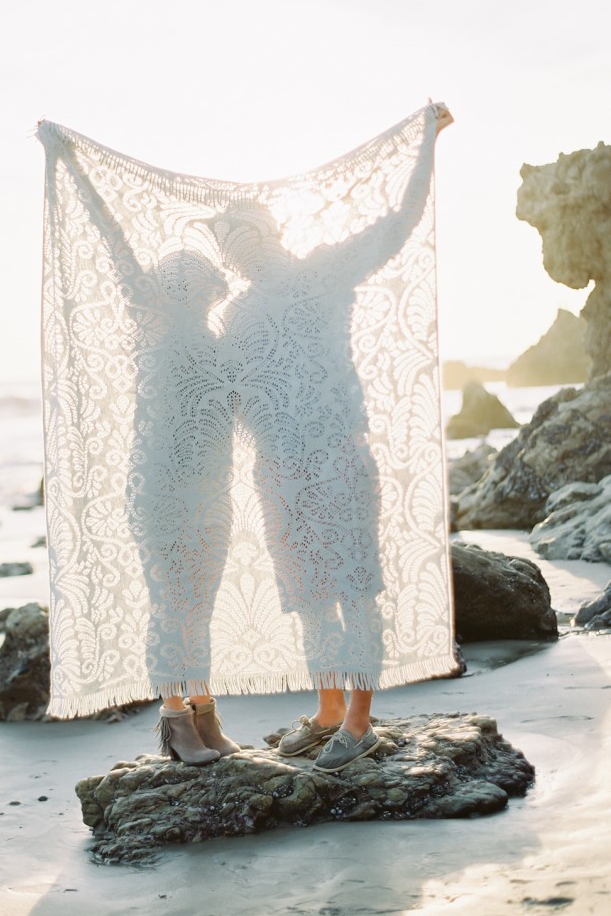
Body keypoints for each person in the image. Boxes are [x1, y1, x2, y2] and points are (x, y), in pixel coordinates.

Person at [155, 102, 454, 769]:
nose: (236, 256)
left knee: (354, 588)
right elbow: (220, 395)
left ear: (269, 232)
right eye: (228, 249)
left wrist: (426, 141)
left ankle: (360, 722)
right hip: (278, 469)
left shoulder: (323, 271)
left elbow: (397, 226)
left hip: (336, 455)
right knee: (310, 596)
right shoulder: (234, 312)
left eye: (243, 241)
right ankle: (324, 712)